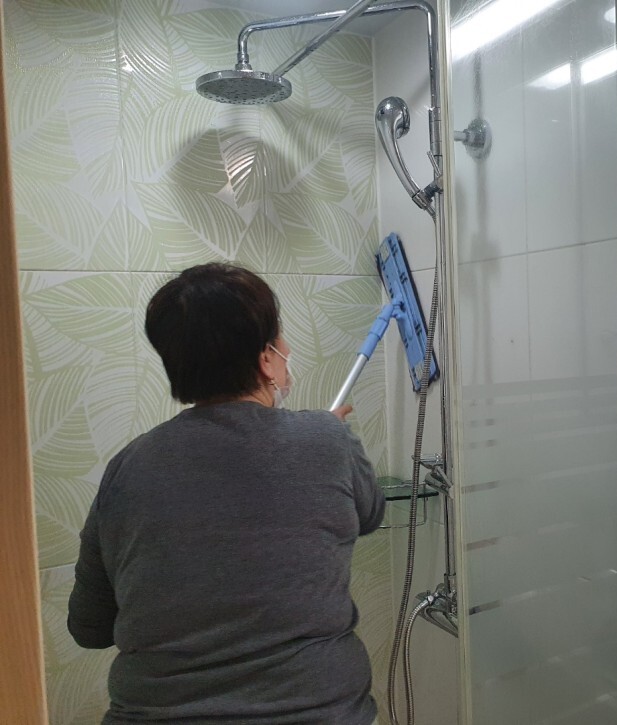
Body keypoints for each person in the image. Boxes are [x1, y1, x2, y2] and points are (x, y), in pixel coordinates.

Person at [68, 263, 385, 725]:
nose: (287, 349)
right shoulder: (326, 440)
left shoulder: (127, 466)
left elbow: (90, 627)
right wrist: (326, 437)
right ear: (266, 358)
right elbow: (370, 513)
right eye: (281, 338)